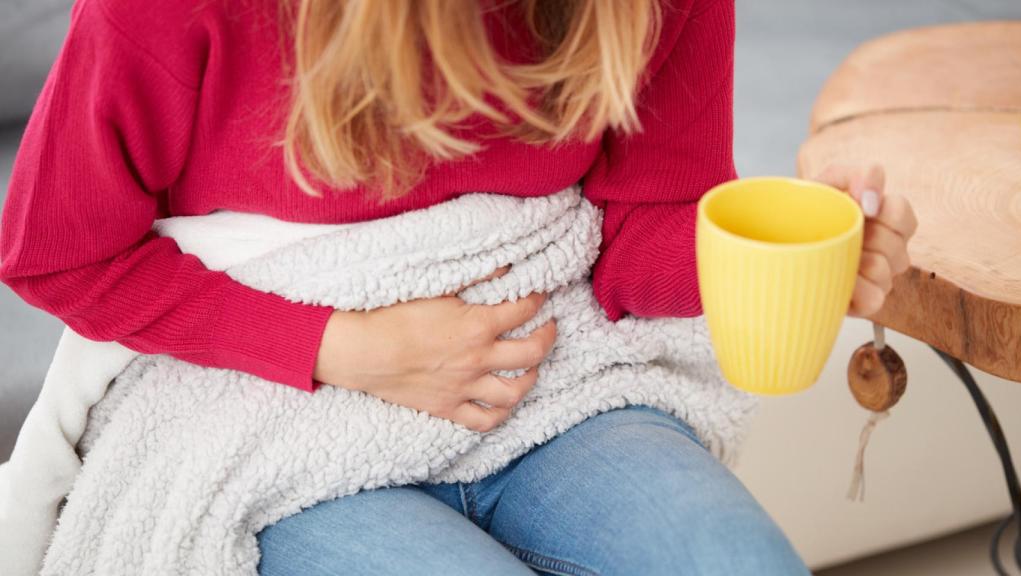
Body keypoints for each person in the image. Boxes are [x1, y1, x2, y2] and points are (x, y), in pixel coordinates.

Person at [0, 0, 917, 574]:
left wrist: (778, 259)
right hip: (272, 423)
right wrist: (347, 350)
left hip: (559, 391)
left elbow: (633, 243)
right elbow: (55, 251)